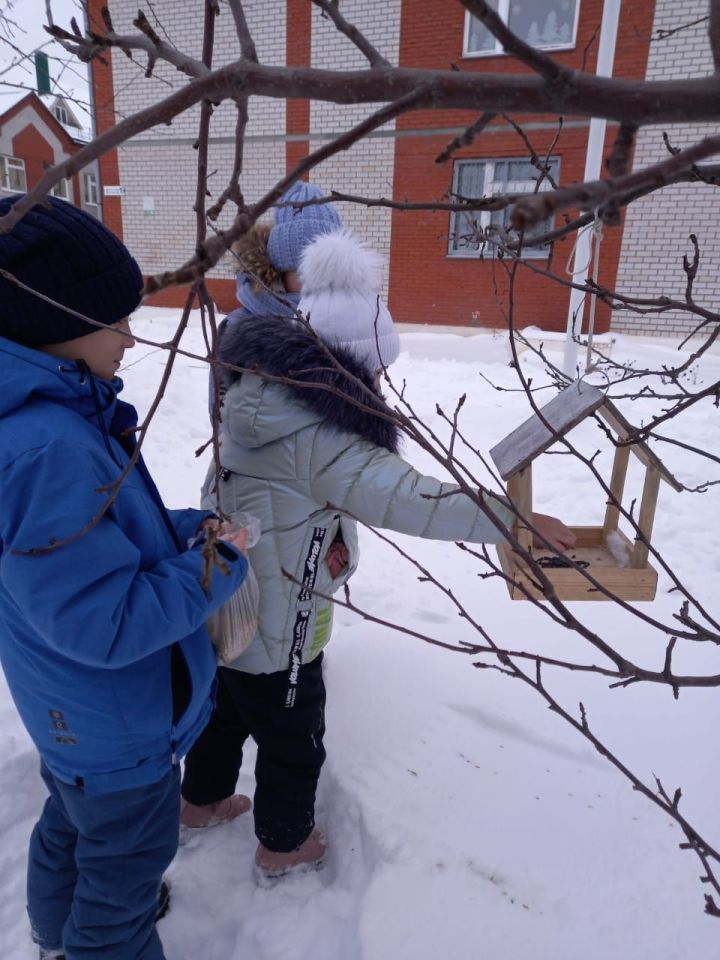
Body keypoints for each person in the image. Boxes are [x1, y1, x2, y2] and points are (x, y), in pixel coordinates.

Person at [180, 223, 575, 880]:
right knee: (292, 737)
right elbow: (413, 498)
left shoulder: (251, 400)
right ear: (346, 370)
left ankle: (201, 801)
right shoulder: (324, 439)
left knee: (223, 712)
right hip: (284, 631)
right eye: (375, 371)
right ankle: (283, 844)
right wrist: (512, 519)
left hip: (227, 603)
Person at [0, 196, 249, 960]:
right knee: (122, 882)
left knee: (70, 829)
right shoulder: (50, 448)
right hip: (119, 733)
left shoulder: (49, 417)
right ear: (54, 325)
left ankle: (52, 938)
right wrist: (216, 562)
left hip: (71, 720)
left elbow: (90, 549)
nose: (130, 336)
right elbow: (102, 622)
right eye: (116, 318)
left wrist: (177, 533)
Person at [207, 179, 341, 419]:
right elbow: (221, 411)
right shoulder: (239, 329)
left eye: (324, 272)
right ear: (280, 270)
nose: (314, 284)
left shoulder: (351, 319)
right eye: (301, 273)